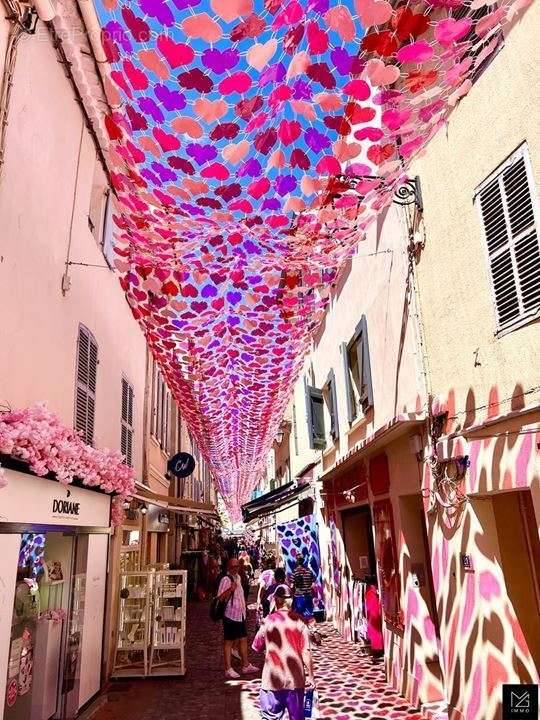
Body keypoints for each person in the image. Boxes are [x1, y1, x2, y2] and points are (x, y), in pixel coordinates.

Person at [252, 585, 315, 720]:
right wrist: (311, 676)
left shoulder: (268, 621)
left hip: (272, 679)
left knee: (269, 717)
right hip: (295, 681)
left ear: (275, 600)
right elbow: (305, 652)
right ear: (291, 600)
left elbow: (257, 645)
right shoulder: (300, 621)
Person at [217, 557, 259, 679]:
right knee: (228, 642)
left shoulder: (238, 577)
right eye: (233, 567)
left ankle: (246, 665)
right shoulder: (225, 579)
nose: (236, 568)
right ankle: (228, 668)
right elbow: (220, 598)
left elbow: (240, 596)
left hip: (240, 615)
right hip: (230, 615)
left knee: (243, 639)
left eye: (237, 566)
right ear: (228, 568)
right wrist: (231, 589)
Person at [365, 574, 384, 660]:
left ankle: (377, 649)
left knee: (375, 631)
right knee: (375, 631)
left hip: (373, 615)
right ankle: (377, 649)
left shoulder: (370, 591)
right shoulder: (372, 591)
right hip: (374, 615)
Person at [292, 555, 315, 620]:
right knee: (309, 613)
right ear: (303, 561)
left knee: (299, 614)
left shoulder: (295, 571)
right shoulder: (308, 571)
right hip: (308, 594)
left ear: (297, 561)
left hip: (298, 595)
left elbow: (292, 585)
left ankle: (302, 628)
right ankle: (311, 627)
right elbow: (312, 582)